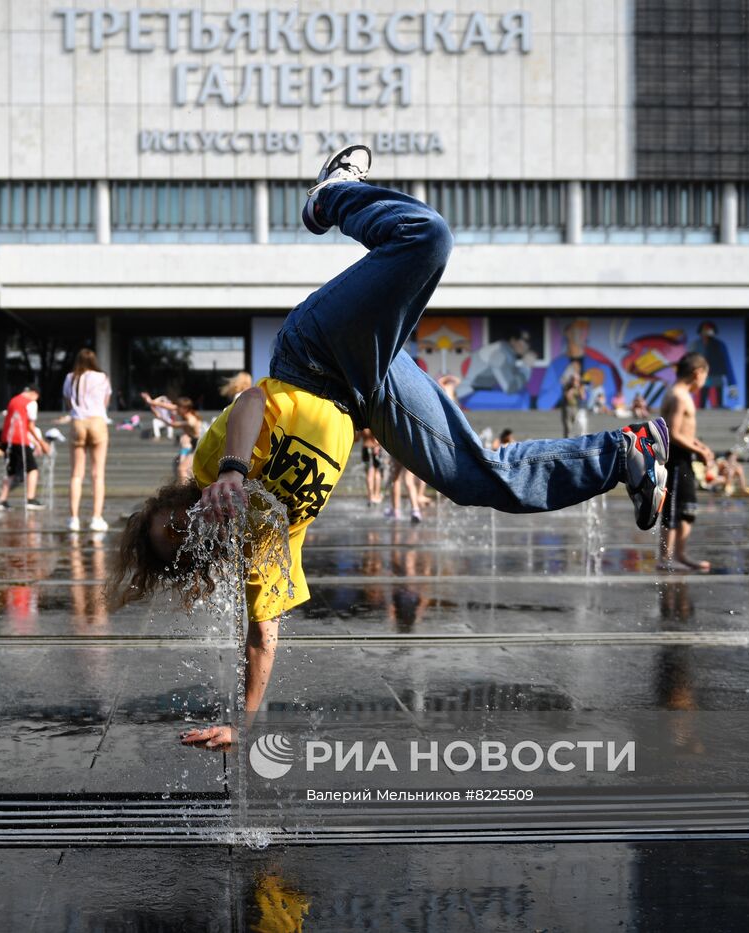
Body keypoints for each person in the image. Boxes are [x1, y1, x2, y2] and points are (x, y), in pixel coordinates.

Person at [104, 146, 671, 749]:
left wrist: (235, 472)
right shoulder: (263, 548)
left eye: (181, 514)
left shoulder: (211, 467)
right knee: (474, 479)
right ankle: (624, 452)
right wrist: (242, 726)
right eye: (189, 537)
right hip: (365, 395)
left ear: (180, 497)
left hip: (314, 355)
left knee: (426, 238)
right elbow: (261, 635)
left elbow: (250, 404)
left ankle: (332, 197)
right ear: (202, 555)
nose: (197, 521)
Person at [658, 353, 717, 572]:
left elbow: (684, 432)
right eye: (705, 376)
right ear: (697, 373)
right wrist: (697, 450)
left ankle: (680, 555)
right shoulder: (679, 396)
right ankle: (665, 558)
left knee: (688, 507)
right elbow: (672, 433)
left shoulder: (681, 394)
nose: (704, 381)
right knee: (673, 509)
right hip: (675, 458)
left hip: (684, 457)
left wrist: (701, 447)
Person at [63, 348, 113, 532]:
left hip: (78, 422)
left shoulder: (70, 377)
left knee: (76, 474)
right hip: (97, 421)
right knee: (97, 474)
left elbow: (68, 403)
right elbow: (105, 403)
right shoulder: (102, 377)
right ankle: (96, 518)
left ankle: (73, 519)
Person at [0, 386, 50, 511]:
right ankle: (30, 499)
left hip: (7, 439)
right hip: (20, 440)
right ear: (34, 393)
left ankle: (1, 501)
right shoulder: (31, 403)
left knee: (11, 472)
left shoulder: (13, 400)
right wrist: (41, 443)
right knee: (33, 469)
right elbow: (30, 426)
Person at [360, 429, 384, 506]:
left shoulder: (363, 424)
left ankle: (370, 496)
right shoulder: (373, 422)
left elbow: (356, 438)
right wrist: (378, 445)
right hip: (376, 448)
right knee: (377, 472)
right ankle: (376, 496)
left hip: (366, 448)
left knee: (368, 473)